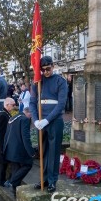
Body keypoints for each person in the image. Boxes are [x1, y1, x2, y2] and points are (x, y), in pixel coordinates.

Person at [29, 56, 68, 193]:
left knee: (53, 152)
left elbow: (61, 104)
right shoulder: (37, 82)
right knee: (43, 151)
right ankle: (43, 178)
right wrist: (35, 119)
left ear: (53, 66)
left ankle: (52, 180)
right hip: (40, 120)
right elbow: (32, 103)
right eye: (43, 69)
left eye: (48, 69)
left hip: (54, 120)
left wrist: (47, 119)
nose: (46, 72)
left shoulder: (60, 81)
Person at [3, 107, 36, 197]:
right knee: (28, 164)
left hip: (10, 149)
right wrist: (31, 152)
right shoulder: (24, 119)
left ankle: (15, 192)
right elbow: (26, 138)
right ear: (29, 113)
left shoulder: (14, 117)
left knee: (16, 169)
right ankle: (11, 180)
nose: (31, 118)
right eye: (31, 115)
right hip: (18, 150)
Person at [0, 97, 16, 186]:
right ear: (7, 105)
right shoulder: (2, 115)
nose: (14, 107)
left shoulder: (6, 113)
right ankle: (1, 182)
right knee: (2, 165)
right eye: (13, 105)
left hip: (6, 143)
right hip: (3, 144)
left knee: (5, 164)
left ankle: (3, 181)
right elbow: (0, 133)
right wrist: (1, 147)